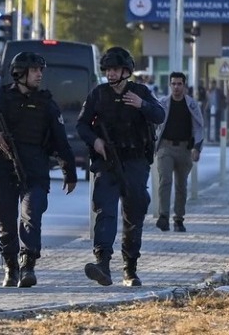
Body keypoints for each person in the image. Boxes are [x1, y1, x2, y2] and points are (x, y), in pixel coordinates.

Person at [0, 52, 78, 288]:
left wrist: (69, 172)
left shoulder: (46, 103)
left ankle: (28, 264)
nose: (40, 74)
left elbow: (60, 141)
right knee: (5, 220)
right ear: (20, 73)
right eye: (34, 70)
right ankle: (11, 267)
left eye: (41, 70)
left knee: (31, 214)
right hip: (3, 168)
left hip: (35, 169)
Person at [76, 46, 165, 288]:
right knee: (105, 210)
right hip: (107, 162)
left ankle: (130, 268)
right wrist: (95, 141)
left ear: (126, 71)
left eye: (115, 69)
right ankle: (102, 263)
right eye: (107, 70)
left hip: (135, 162)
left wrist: (141, 105)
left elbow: (159, 115)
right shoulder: (98, 95)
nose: (111, 74)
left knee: (134, 213)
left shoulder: (140, 92)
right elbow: (82, 125)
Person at [155, 72, 204, 233]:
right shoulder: (163, 103)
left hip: (184, 149)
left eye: (179, 84)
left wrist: (197, 147)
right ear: (170, 85)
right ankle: (163, 216)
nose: (176, 87)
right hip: (165, 147)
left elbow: (199, 126)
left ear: (184, 85)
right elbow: (154, 123)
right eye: (173, 84)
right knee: (165, 180)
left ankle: (179, 219)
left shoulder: (191, 105)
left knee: (181, 185)